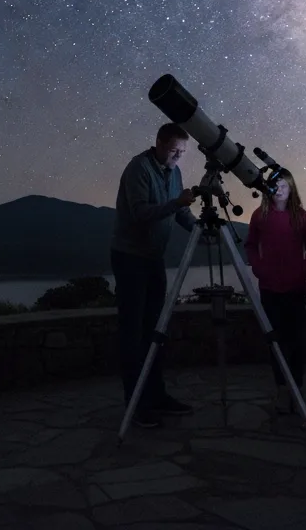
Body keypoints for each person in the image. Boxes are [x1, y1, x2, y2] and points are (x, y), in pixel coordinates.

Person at [111, 122, 197, 428]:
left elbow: (181, 213)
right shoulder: (139, 169)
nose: (178, 156)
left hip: (153, 259)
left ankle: (157, 396)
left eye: (182, 152)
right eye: (174, 149)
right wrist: (176, 203)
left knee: (155, 330)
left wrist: (201, 228)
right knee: (133, 334)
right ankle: (135, 404)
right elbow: (141, 213)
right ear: (159, 142)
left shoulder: (174, 173)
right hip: (131, 259)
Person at [244, 170, 306, 413]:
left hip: (295, 288)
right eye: (275, 186)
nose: (279, 190)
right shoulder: (259, 216)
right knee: (275, 342)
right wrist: (258, 268)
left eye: (284, 186)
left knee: (295, 341)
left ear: (291, 189)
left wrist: (302, 273)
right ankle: (281, 390)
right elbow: (251, 245)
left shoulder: (302, 217)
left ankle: (296, 389)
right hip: (269, 288)